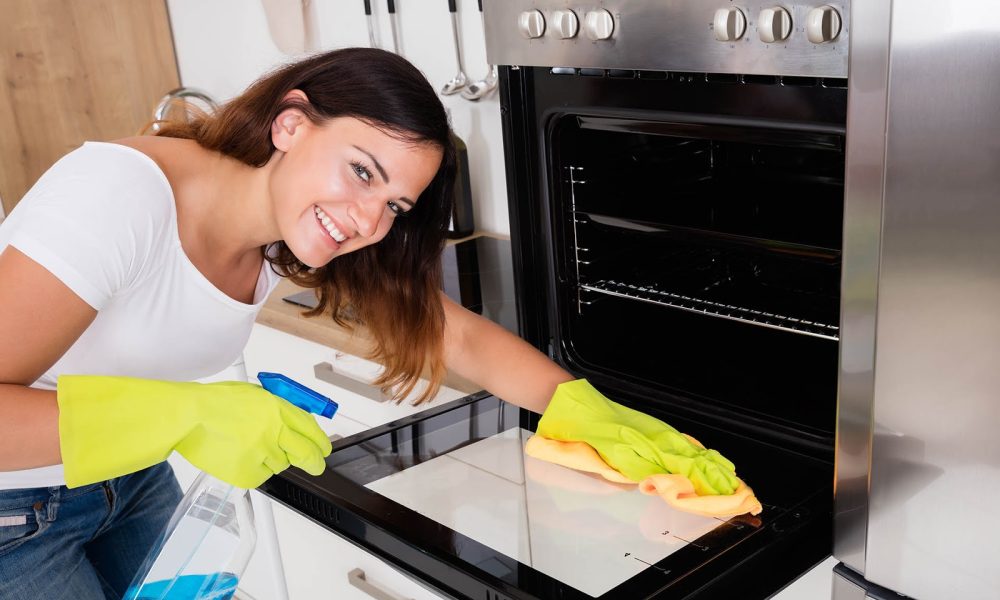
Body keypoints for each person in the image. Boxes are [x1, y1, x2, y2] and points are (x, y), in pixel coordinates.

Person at [0, 48, 739, 600]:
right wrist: (184, 415)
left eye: (395, 206)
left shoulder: (285, 228)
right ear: (290, 124)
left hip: (125, 481)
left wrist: (580, 408)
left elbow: (452, 332)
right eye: (361, 170)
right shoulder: (117, 196)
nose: (366, 219)